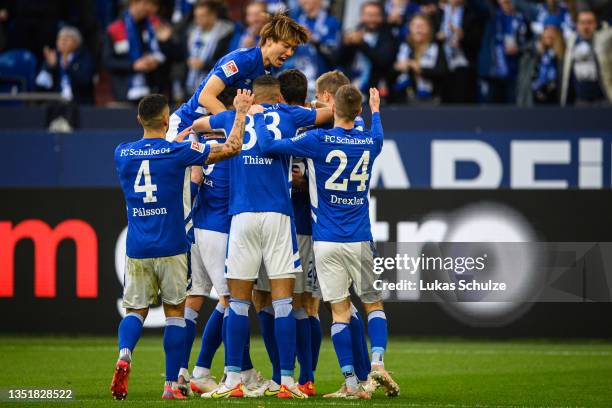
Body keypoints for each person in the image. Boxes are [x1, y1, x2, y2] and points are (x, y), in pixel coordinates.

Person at [257, 86, 399, 399]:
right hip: (360, 238)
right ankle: (377, 360)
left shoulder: (316, 140)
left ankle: (350, 384)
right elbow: (377, 133)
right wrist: (376, 110)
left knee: (339, 312)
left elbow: (269, 146)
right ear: (359, 111)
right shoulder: (370, 142)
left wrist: (258, 119)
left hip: (325, 241)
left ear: (332, 107)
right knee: (373, 303)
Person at [110, 90, 253, 400]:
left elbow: (152, 154)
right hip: (173, 245)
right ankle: (171, 385)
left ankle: (124, 354)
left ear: (139, 119)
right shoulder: (180, 152)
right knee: (176, 313)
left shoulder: (121, 153)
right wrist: (240, 113)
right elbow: (231, 148)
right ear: (166, 119)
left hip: (136, 247)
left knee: (135, 310)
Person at [193, 75, 329, 399]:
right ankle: (286, 381)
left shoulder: (231, 116)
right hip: (280, 216)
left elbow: (198, 124)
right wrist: (315, 105)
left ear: (251, 95)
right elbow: (327, 114)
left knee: (238, 302)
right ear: (280, 95)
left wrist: (234, 115)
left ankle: (233, 381)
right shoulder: (289, 115)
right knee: (284, 302)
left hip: (241, 215)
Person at [180, 87, 265, 397]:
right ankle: (208, 370)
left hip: (200, 226)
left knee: (198, 298)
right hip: (220, 228)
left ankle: (180, 372)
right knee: (232, 301)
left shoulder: (207, 137)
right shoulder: (238, 134)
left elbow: (196, 170)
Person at [167, 13, 309, 137]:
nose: (290, 53)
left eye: (293, 49)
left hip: (210, 130)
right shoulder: (241, 60)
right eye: (286, 46)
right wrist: (230, 127)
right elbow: (206, 96)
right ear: (270, 40)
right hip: (186, 124)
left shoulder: (268, 73)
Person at [104, 0, 167, 103]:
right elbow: (108, 61)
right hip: (124, 93)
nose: (147, 7)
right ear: (133, 3)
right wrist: (133, 65)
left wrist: (154, 59)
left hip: (150, 91)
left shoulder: (152, 25)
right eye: (144, 3)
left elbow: (163, 52)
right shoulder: (114, 28)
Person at [340, 1, 400, 97]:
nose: (372, 19)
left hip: (375, 91)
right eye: (368, 15)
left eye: (375, 15)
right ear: (361, 16)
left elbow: (383, 60)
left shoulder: (388, 35)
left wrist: (362, 44)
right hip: (351, 87)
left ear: (382, 17)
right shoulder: (353, 32)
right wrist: (345, 45)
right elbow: (339, 60)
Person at [283, 0, 341, 96]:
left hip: (321, 85)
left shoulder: (331, 22)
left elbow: (334, 55)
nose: (302, 2)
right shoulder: (294, 21)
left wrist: (314, 41)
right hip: (295, 83)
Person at [478, 0, 531, 104]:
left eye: (507, 2)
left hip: (514, 72)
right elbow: (479, 6)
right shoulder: (492, 15)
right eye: (502, 2)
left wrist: (519, 48)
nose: (505, 4)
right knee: (491, 111)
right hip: (494, 72)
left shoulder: (522, 17)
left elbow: (529, 41)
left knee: (511, 110)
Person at [436, 0, 486, 103]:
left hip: (464, 64)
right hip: (441, 64)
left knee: (461, 101)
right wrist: (438, 37)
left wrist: (463, 37)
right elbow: (430, 34)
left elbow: (477, 40)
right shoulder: (439, 12)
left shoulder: (472, 13)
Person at [561, 10, 612, 106]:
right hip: (579, 101)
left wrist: (605, 26)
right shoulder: (571, 41)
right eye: (582, 23)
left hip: (603, 100)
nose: (586, 27)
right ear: (577, 25)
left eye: (589, 22)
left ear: (596, 25)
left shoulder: (603, 40)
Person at [394, 14, 448, 104]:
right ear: (409, 28)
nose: (418, 29)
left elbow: (442, 71)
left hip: (432, 100)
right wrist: (396, 68)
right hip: (404, 101)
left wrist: (420, 69)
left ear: (430, 29)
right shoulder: (403, 47)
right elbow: (389, 70)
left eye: (422, 26)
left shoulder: (437, 47)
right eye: (415, 25)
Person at [185, 0, 235, 94]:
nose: (198, 20)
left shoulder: (227, 33)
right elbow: (185, 55)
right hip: (192, 84)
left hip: (217, 86)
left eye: (202, 16)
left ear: (213, 15)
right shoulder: (192, 32)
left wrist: (204, 65)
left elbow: (228, 62)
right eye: (196, 16)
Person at [35, 26, 95, 105]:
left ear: (77, 43)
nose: (62, 42)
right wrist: (50, 67)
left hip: (79, 103)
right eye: (60, 39)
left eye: (66, 39)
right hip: (55, 103)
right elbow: (40, 85)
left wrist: (68, 67)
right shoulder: (53, 57)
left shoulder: (84, 57)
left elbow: (85, 82)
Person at [531, 22, 564, 104]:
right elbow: (533, 76)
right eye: (546, 36)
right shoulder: (537, 56)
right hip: (538, 96)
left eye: (551, 37)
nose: (548, 38)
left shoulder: (562, 57)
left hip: (556, 97)